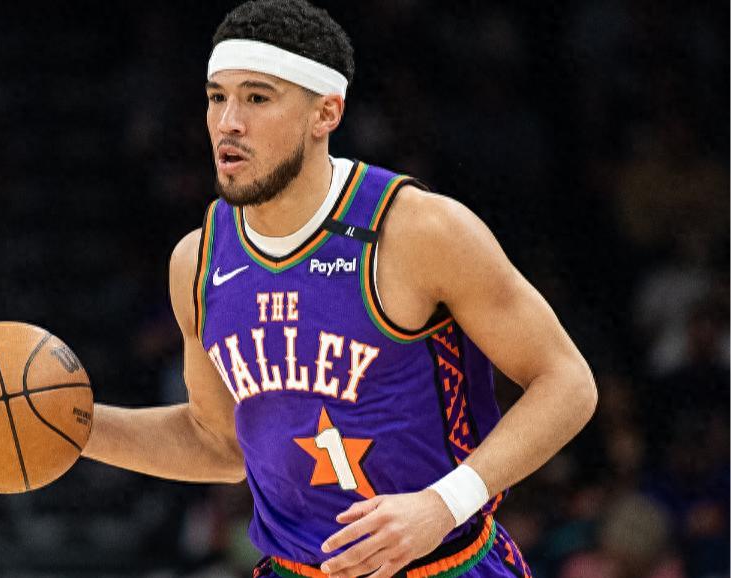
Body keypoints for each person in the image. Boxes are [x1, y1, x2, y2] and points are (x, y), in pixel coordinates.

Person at [81, 1, 598, 577]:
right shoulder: (197, 260)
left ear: (325, 113)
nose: (228, 122)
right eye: (216, 96)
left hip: (445, 564)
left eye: (257, 98)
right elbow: (220, 444)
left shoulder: (418, 230)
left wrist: (443, 503)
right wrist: (71, 427)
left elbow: (567, 383)